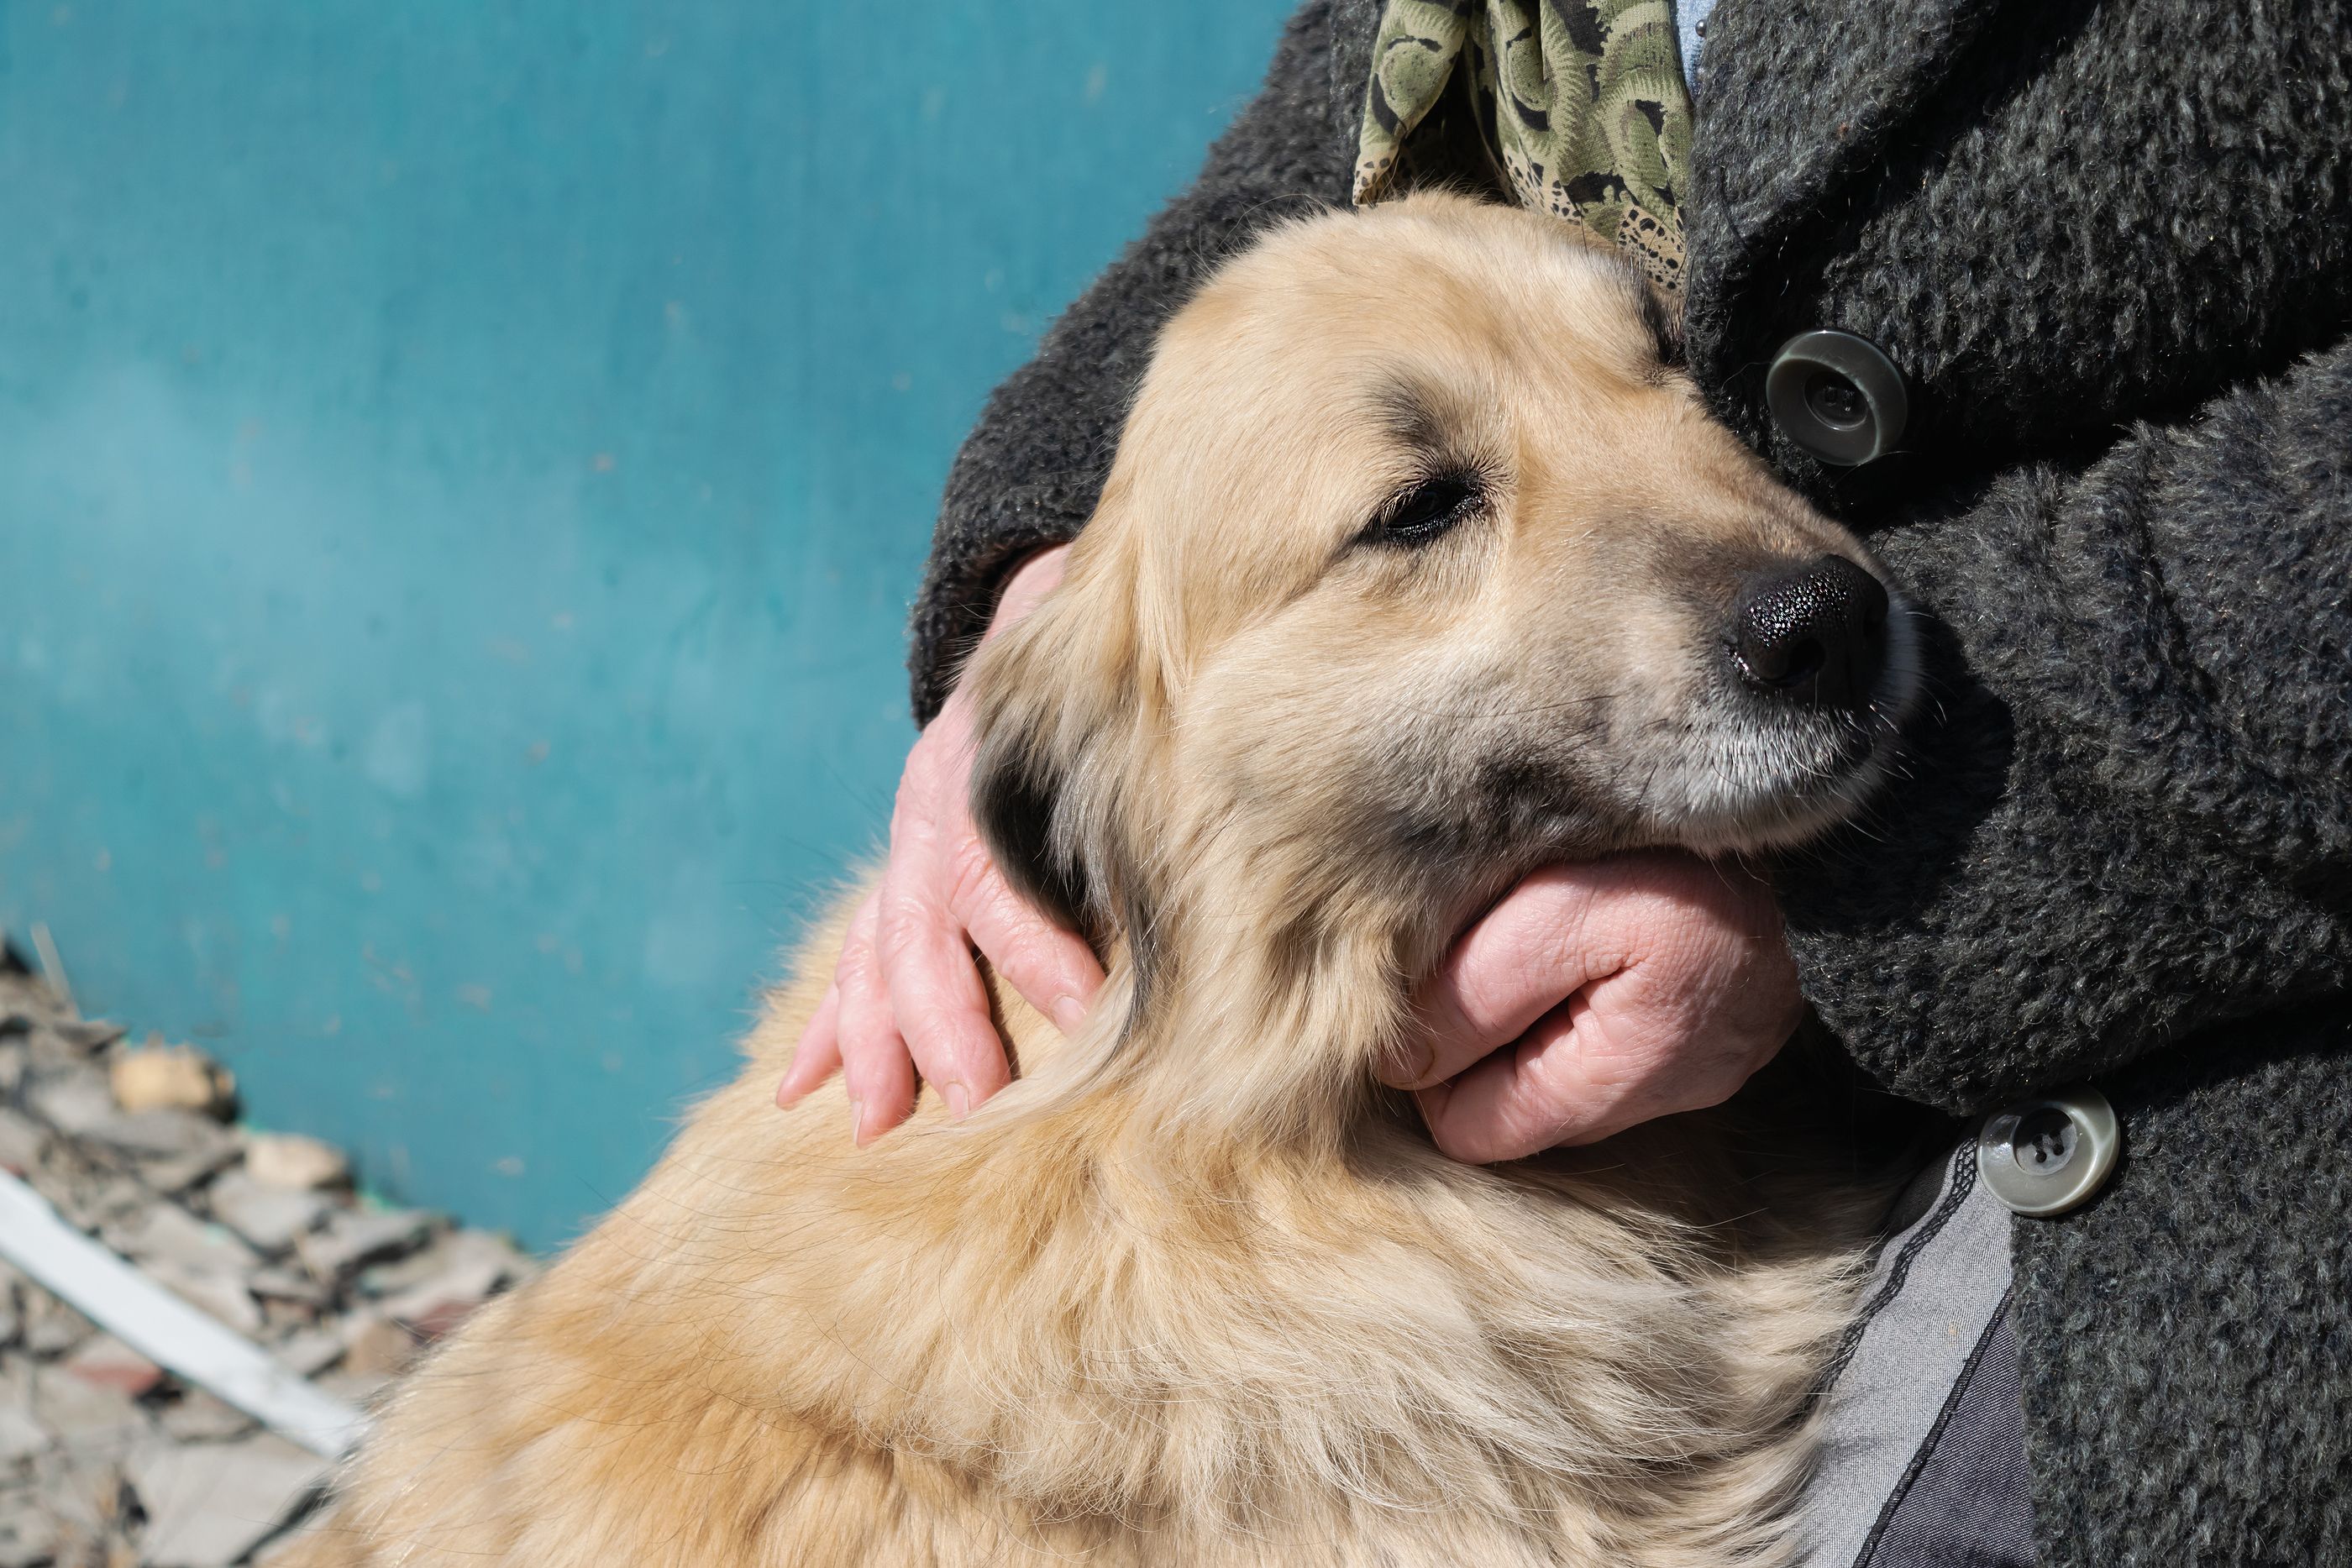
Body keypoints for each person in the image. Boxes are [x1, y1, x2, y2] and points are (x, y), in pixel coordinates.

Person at [781, 2, 2352, 1560]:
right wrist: (1064, 578)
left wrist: (1882, 881)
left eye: (1656, 358)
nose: (1765, 563)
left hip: (2219, 961)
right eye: (1425, 506)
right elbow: (1355, 106)